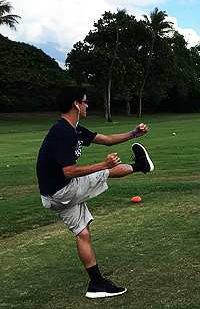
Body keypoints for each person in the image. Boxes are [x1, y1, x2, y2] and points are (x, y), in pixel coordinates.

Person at [36, 86, 154, 299]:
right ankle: (141, 166)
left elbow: (106, 139)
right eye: (85, 101)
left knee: (82, 232)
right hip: (63, 190)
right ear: (76, 104)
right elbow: (69, 171)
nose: (87, 105)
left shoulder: (76, 130)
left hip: (54, 196)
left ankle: (97, 285)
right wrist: (102, 165)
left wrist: (134, 133)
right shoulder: (61, 132)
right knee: (105, 172)